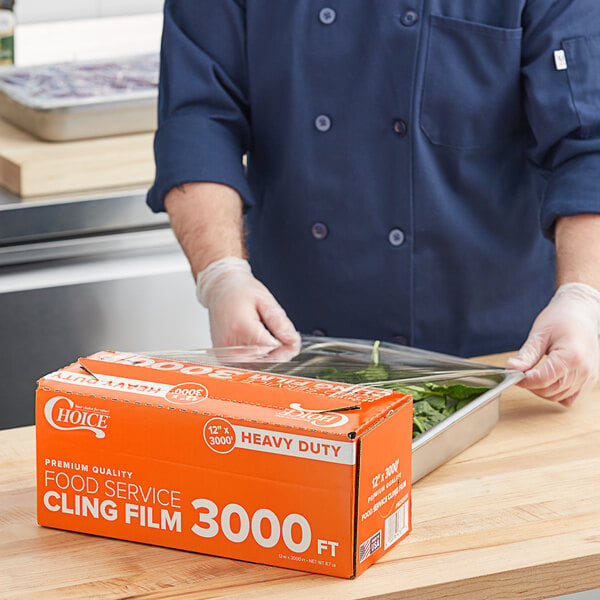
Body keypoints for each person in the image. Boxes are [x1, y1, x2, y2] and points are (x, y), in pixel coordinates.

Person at [147, 1, 600, 406]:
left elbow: (588, 141)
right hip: (297, 359)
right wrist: (222, 276)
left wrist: (583, 296)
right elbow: (198, 121)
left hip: (504, 364)